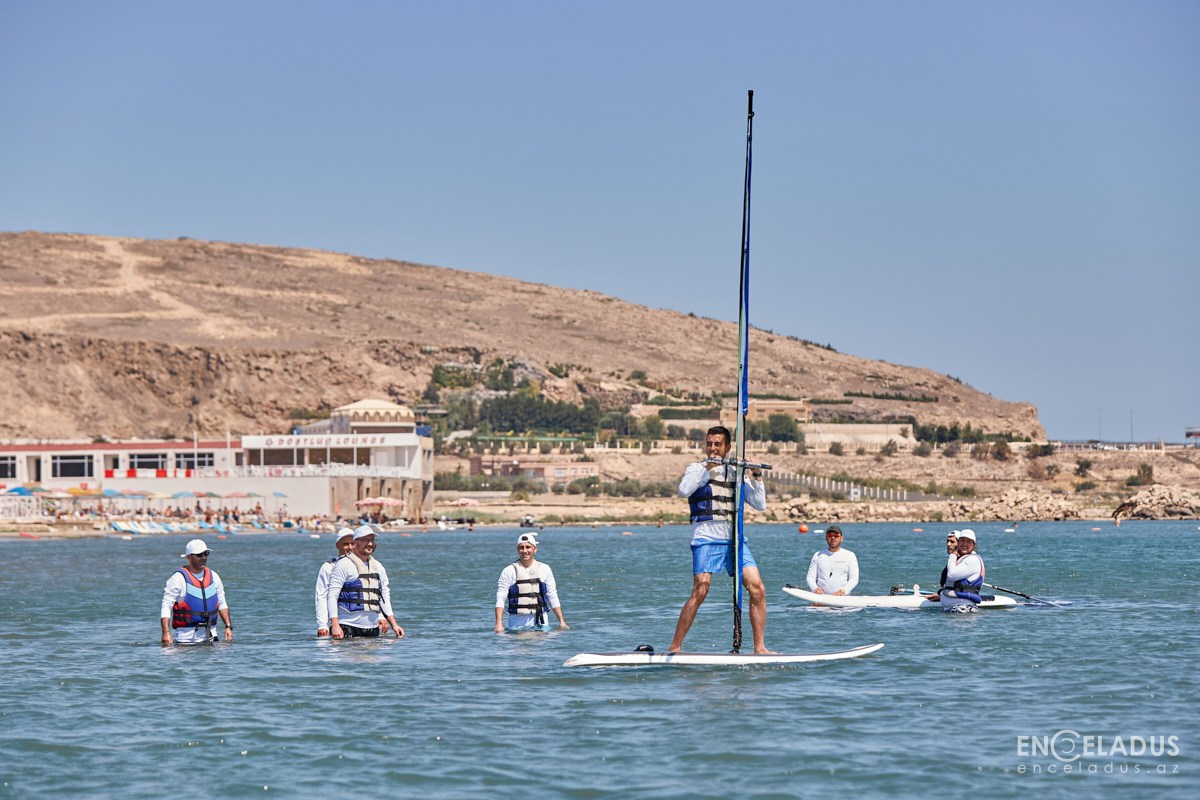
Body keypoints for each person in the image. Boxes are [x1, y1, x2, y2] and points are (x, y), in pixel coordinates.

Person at [669, 425, 772, 654]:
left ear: (727, 447)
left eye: (717, 444)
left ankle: (760, 648)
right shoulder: (696, 468)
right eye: (709, 444)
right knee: (701, 589)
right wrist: (707, 469)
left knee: (758, 589)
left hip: (734, 540)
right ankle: (675, 646)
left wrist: (755, 474)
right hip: (706, 537)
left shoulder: (735, 472)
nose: (712, 449)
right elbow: (684, 489)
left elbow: (760, 504)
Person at [326, 525, 405, 639]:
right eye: (365, 540)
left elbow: (384, 597)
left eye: (372, 540)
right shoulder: (343, 565)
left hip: (372, 628)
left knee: (372, 657)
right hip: (348, 626)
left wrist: (394, 625)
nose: (370, 544)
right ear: (354, 543)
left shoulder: (378, 567)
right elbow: (332, 596)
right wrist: (334, 625)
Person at [160, 539, 233, 646]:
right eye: (199, 555)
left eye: (206, 554)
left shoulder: (214, 577)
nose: (203, 558)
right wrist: (166, 632)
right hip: (186, 640)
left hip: (212, 637)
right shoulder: (177, 579)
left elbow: (222, 603)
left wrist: (228, 626)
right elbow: (166, 605)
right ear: (189, 557)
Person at [493, 532, 569, 632]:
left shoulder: (545, 569)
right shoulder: (509, 571)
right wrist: (498, 624)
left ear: (535, 549)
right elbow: (501, 597)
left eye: (528, 547)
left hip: (542, 622)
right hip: (517, 623)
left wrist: (561, 621)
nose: (525, 551)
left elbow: (552, 595)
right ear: (517, 550)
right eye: (521, 547)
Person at [315, 527, 355, 637]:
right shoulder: (328, 567)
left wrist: (380, 617)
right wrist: (322, 625)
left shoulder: (363, 565)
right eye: (346, 544)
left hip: (361, 623)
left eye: (353, 543)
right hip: (340, 623)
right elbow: (321, 596)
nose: (350, 547)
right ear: (337, 545)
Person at [805, 524, 859, 596]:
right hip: (821, 599)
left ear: (841, 538)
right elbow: (810, 577)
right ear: (826, 538)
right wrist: (814, 588)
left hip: (843, 600)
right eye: (830, 535)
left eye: (836, 535)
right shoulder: (818, 555)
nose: (833, 538)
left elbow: (854, 578)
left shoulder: (850, 555)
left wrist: (843, 591)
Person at [940, 529, 985, 613]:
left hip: (963, 610)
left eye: (968, 541)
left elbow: (952, 575)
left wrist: (952, 555)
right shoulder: (963, 559)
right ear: (958, 543)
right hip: (955, 608)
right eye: (962, 541)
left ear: (974, 545)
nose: (964, 544)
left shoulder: (973, 560)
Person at [924, 530, 959, 600]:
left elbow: (961, 588)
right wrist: (940, 593)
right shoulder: (953, 561)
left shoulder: (964, 562)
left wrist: (941, 597)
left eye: (952, 542)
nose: (948, 544)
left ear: (960, 544)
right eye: (947, 541)